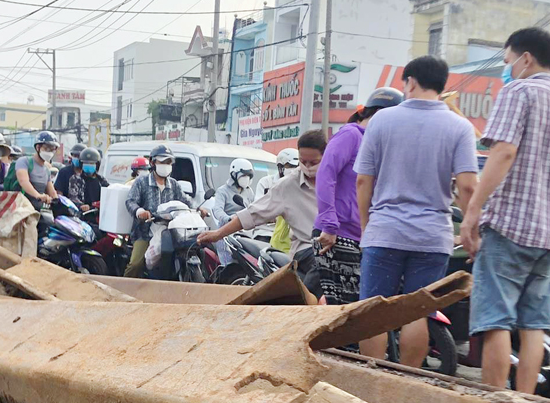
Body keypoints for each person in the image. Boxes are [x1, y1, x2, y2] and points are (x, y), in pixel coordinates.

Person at [461, 27, 550, 392]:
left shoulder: (518, 91)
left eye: (507, 61)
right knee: (534, 325)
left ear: (526, 58)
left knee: (495, 321)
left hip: (509, 228)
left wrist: (472, 214)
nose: (507, 69)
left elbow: (503, 152)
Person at [354, 57, 478, 366]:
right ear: (442, 85)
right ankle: (408, 379)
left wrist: (368, 226)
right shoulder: (460, 126)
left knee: (373, 312)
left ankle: (372, 377)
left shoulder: (381, 121)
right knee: (418, 311)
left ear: (409, 82)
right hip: (432, 236)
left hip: (385, 231)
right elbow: (467, 187)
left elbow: (362, 181)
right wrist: (470, 229)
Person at [313, 87, 403, 305]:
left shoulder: (377, 143)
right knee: (345, 311)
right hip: (337, 234)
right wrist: (329, 224)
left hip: (367, 237)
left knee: (363, 309)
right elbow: (326, 174)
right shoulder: (351, 135)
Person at [198, 130, 327, 261]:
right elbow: (253, 213)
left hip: (333, 248)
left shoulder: (338, 181)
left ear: (325, 157)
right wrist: (218, 234)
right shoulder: (286, 186)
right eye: (303, 162)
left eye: (313, 162)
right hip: (304, 253)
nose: (308, 167)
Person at [124, 145, 186, 278]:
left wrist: (198, 210)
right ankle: (123, 290)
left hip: (170, 233)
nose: (166, 165)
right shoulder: (142, 182)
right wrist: (139, 211)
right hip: (144, 232)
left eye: (168, 162)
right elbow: (130, 201)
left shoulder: (174, 185)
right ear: (152, 162)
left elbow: (186, 202)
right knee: (136, 264)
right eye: (162, 162)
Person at [8, 130, 59, 204]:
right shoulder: (24, 161)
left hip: (37, 210)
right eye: (47, 148)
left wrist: (58, 200)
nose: (50, 152)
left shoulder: (46, 169)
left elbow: (52, 192)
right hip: (20, 208)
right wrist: (38, 195)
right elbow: (24, 181)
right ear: (38, 147)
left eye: (52, 149)